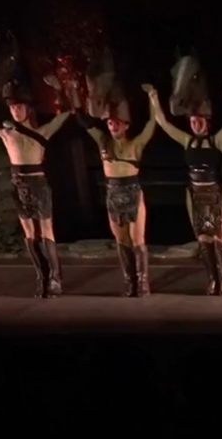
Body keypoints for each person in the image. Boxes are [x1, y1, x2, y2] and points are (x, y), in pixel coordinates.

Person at [148, 64, 222, 294]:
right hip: (195, 193)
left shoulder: (217, 140)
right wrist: (154, 99)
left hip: (216, 192)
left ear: (207, 122)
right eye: (192, 121)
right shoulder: (187, 141)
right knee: (203, 238)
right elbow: (163, 123)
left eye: (200, 121)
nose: (196, 124)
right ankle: (212, 279)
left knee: (220, 237)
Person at [0, 79, 74, 297]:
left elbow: (65, 113)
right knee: (29, 233)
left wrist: (59, 89)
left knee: (46, 230)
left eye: (19, 107)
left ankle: (55, 278)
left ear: (27, 108)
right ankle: (41, 276)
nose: (16, 111)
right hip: (19, 184)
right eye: (13, 108)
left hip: (37, 183)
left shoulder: (42, 131)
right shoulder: (6, 133)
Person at [73, 79, 158, 297]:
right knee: (122, 241)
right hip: (113, 192)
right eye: (110, 123)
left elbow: (152, 123)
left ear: (126, 125)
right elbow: (83, 121)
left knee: (137, 240)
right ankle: (130, 281)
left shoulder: (135, 144)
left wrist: (153, 98)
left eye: (117, 123)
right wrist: (74, 91)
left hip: (132, 192)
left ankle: (143, 282)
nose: (113, 127)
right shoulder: (103, 141)